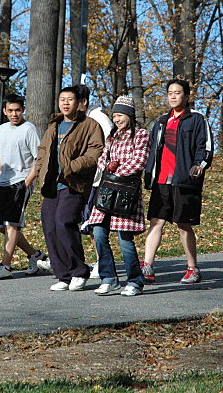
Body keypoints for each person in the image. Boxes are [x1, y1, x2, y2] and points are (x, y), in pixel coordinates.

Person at [141, 79, 214, 284]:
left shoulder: (197, 119)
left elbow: (205, 147)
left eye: (177, 92)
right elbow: (152, 150)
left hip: (184, 181)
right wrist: (149, 173)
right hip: (161, 181)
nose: (173, 96)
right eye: (170, 93)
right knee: (156, 222)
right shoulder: (161, 122)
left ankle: (192, 268)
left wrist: (199, 165)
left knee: (184, 224)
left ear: (187, 96)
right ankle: (148, 266)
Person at [33, 86, 104, 292]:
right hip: (51, 184)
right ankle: (63, 275)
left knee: (64, 222)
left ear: (79, 102)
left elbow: (96, 151)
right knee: (50, 227)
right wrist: (40, 170)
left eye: (70, 99)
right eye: (62, 99)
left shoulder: (89, 125)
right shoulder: (54, 126)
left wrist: (72, 166)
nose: (65, 103)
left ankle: (79, 272)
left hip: (74, 183)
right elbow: (42, 150)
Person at [84, 95, 149, 297]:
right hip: (106, 192)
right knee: (98, 233)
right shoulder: (112, 136)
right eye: (114, 116)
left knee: (124, 239)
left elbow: (139, 161)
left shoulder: (140, 134)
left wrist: (116, 172)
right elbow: (102, 159)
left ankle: (135, 281)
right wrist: (107, 167)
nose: (117, 119)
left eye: (120, 115)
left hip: (125, 194)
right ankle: (109, 278)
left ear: (129, 115)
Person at [0, 94, 48, 280]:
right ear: (5, 111)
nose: (14, 114)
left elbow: (38, 159)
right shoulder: (2, 129)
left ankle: (5, 266)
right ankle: (36, 256)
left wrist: (26, 182)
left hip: (20, 182)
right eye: (10, 110)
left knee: (11, 225)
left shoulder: (29, 129)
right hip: (2, 182)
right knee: (3, 227)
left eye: (17, 110)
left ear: (23, 110)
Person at [74, 84, 113, 279]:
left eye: (74, 101)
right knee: (87, 223)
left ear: (83, 102)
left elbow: (110, 145)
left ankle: (102, 262)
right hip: (84, 180)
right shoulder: (79, 119)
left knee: (96, 223)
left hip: (100, 179)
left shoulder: (99, 118)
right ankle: (98, 261)